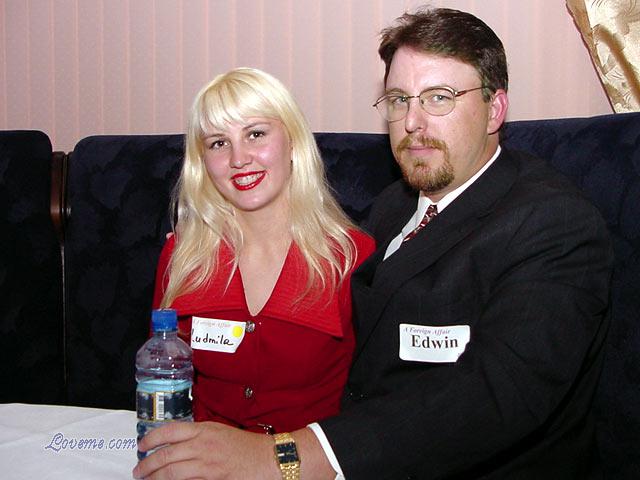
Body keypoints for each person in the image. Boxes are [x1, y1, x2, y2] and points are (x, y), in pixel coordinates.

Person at [134, 8, 613, 480]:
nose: (413, 121)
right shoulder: (392, 208)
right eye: (399, 100)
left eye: (439, 97)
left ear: (495, 109)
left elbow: (496, 394)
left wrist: (286, 456)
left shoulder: (553, 222)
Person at [149, 68, 375, 435]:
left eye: (255, 134)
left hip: (307, 461)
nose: (239, 158)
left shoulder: (351, 258)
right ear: (202, 162)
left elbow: (376, 402)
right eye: (218, 143)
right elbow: (161, 381)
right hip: (207, 458)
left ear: (293, 143)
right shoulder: (183, 256)